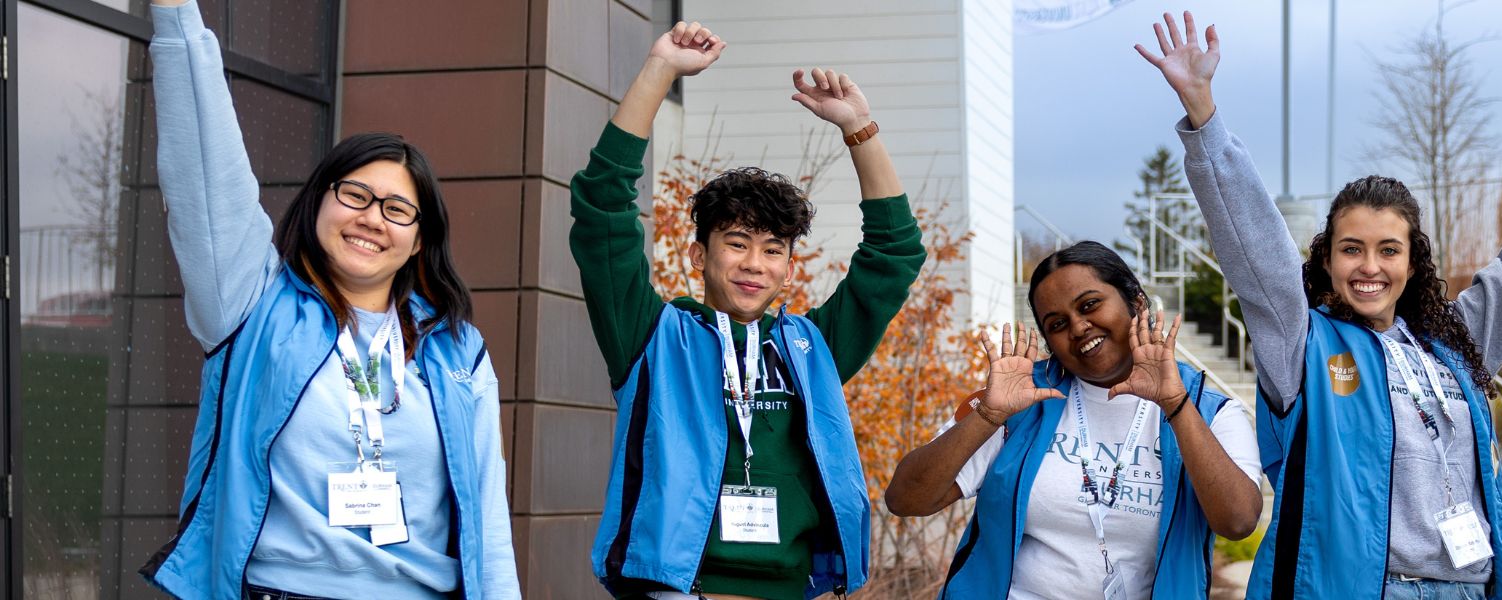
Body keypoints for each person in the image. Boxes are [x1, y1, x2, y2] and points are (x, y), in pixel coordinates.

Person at [1136, 11, 1502, 600]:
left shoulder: (1453, 344)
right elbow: (1256, 252)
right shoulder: (1303, 344)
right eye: (1352, 249)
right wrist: (1204, 116)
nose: (1370, 266)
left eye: (1388, 250)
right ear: (1327, 260)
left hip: (1470, 588)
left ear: (1412, 262)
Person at [135, 1, 518, 598]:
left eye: (397, 209)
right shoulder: (251, 305)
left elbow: (489, 523)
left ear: (421, 241)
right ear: (318, 200)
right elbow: (205, 176)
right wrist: (176, 16)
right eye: (355, 194)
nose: (372, 219)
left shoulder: (456, 349)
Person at [573, 21, 927, 600]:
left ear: (789, 266)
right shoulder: (654, 337)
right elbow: (602, 214)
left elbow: (894, 255)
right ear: (699, 254)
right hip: (679, 589)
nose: (754, 264)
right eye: (737, 242)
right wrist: (660, 69)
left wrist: (859, 129)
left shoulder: (811, 349)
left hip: (796, 589)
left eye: (773, 250)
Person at [888, 242, 1264, 599]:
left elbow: (1238, 521)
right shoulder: (1020, 401)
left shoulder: (1208, 411)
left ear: (1135, 301)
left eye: (1090, 305)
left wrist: (1175, 405)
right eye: (1057, 324)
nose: (1079, 327)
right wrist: (988, 414)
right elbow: (906, 499)